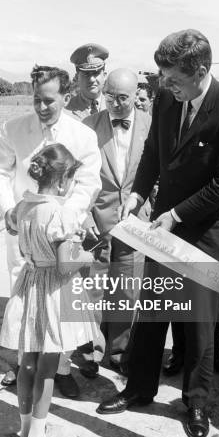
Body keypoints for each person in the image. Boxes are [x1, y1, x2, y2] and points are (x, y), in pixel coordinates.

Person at [97, 29, 219, 437]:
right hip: (162, 229)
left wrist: (177, 214)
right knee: (152, 314)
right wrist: (136, 195)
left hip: (204, 233)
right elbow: (153, 154)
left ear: (200, 71)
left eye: (173, 79)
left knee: (199, 327)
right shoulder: (167, 98)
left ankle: (196, 402)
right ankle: (138, 388)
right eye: (163, 78)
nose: (164, 86)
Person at [0, 66, 102, 396]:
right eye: (36, 100)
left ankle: (61, 366)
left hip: (63, 232)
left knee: (61, 299)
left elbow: (89, 182)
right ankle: (27, 362)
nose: (41, 108)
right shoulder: (13, 128)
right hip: (23, 231)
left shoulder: (82, 136)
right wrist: (10, 208)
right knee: (23, 296)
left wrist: (66, 218)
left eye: (49, 101)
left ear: (66, 98)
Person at [0, 145, 97, 437]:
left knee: (27, 362)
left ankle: (25, 429)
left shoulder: (25, 204)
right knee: (48, 368)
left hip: (29, 286)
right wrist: (87, 254)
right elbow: (64, 264)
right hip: (52, 293)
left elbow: (15, 225)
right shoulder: (60, 211)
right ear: (64, 180)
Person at [81, 68, 151, 376]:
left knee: (127, 290)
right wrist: (82, 214)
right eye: (110, 96)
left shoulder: (152, 126)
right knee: (93, 288)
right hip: (95, 222)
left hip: (135, 222)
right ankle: (92, 349)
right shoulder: (87, 127)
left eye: (123, 97)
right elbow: (74, 178)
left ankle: (120, 349)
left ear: (137, 95)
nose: (116, 103)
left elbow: (160, 174)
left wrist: (149, 208)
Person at [65, 43, 109, 119]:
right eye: (86, 74)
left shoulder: (115, 106)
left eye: (96, 73)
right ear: (77, 77)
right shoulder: (65, 110)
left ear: (104, 76)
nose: (91, 79)